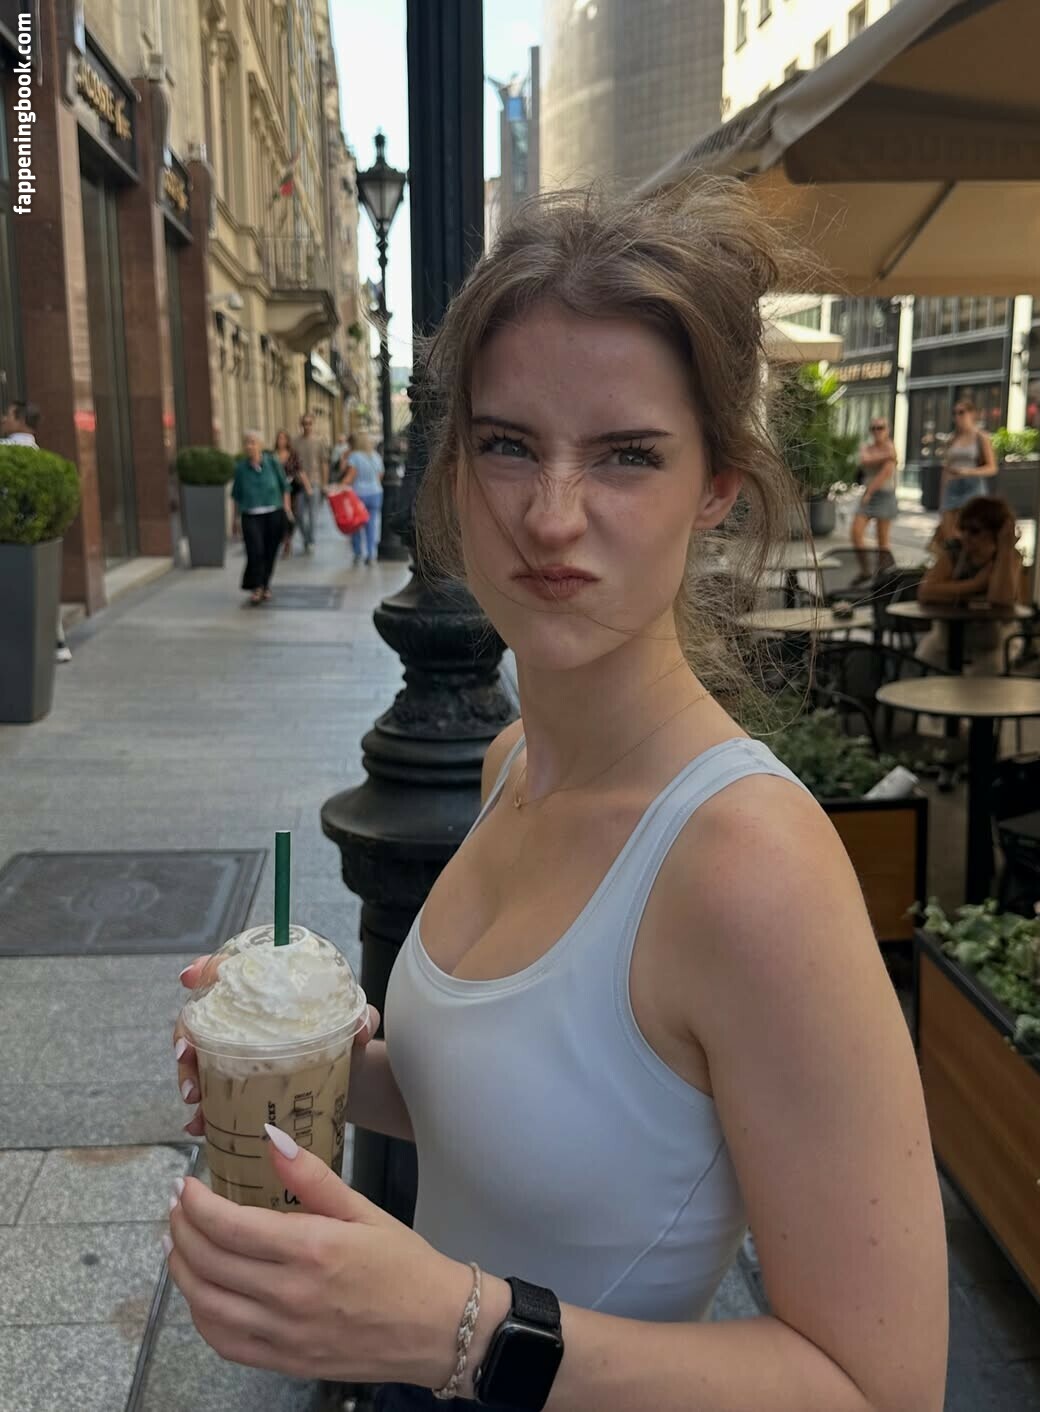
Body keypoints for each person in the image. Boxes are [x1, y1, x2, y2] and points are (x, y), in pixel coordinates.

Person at [171, 183, 948, 1411]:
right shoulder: (514, 760)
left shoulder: (752, 865)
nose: (551, 514)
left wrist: (459, 1325)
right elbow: (538, 1111)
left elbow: (880, 1385)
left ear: (716, 487)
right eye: (508, 443)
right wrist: (315, 1059)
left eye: (627, 454)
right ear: (454, 467)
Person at [916, 494, 1022, 675]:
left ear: (996, 532)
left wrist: (1005, 550)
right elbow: (926, 591)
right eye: (962, 528)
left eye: (974, 530)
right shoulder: (954, 551)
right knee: (924, 662)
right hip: (947, 639)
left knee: (987, 673)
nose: (966, 536)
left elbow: (1001, 600)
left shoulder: (1008, 557)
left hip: (992, 642)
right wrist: (975, 584)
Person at [1, 401, 71, 663]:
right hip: (36, 533)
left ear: (20, 420)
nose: (3, 419)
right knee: (41, 590)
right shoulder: (42, 457)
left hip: (10, 534)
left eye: (7, 415)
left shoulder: (7, 451)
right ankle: (57, 642)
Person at [231, 429, 290, 605]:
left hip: (273, 513)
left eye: (253, 442)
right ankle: (257, 587)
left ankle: (265, 584)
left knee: (270, 552)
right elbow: (236, 495)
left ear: (261, 445)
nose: (249, 446)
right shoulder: (241, 468)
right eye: (246, 442)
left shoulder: (272, 463)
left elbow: (285, 487)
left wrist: (287, 510)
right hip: (251, 515)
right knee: (255, 551)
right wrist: (234, 519)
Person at [938, 398, 997, 542]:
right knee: (948, 534)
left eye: (961, 412)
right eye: (955, 413)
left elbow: (992, 468)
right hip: (952, 486)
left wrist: (969, 472)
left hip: (972, 485)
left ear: (972, 414)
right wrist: (942, 497)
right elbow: (946, 468)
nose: (957, 417)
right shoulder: (953, 438)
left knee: (967, 532)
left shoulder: (981, 437)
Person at [851, 415, 898, 576]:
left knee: (882, 539)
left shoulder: (890, 446)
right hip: (868, 495)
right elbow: (865, 459)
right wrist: (887, 456)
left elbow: (885, 473)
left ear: (887, 430)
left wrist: (869, 492)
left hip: (884, 495)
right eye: (874, 428)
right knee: (856, 532)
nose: (877, 431)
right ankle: (865, 570)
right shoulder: (868, 447)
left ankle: (884, 573)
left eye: (881, 428)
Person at [341, 429, 384, 565]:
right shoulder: (376, 456)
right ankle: (371, 554)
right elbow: (380, 475)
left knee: (356, 524)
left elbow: (350, 477)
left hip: (359, 495)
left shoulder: (355, 456)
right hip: (376, 493)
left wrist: (340, 486)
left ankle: (357, 552)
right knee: (371, 525)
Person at [273, 429, 309, 558]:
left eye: (284, 438)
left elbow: (300, 471)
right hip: (276, 490)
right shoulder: (272, 456)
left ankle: (288, 541)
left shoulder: (293, 455)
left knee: (292, 515)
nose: (281, 441)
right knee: (280, 515)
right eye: (279, 438)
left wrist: (308, 487)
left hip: (293, 489)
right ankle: (283, 538)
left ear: (287, 441)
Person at [293, 412, 330, 536]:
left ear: (313, 424)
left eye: (309, 423)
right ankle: (306, 537)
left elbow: (324, 463)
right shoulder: (295, 442)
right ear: (301, 424)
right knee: (299, 514)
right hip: (299, 483)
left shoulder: (319, 441)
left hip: (315, 481)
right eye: (304, 423)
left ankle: (310, 540)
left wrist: (324, 483)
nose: (307, 426)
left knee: (313, 513)